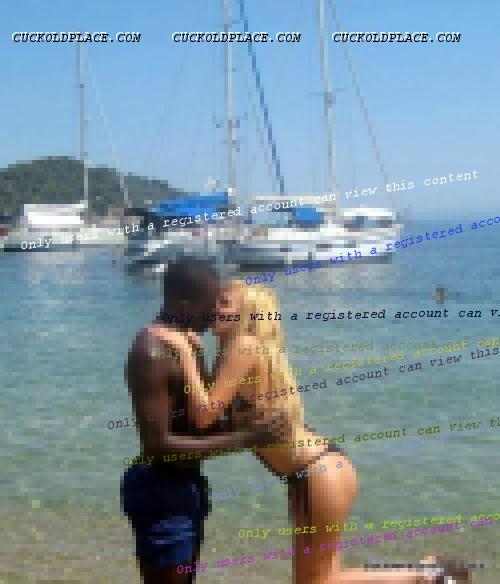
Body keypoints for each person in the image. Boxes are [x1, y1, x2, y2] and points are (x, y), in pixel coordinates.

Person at [151, 280, 472, 584]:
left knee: (317, 581)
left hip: (317, 472)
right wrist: (196, 355)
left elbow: (204, 415)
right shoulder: (240, 352)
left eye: (224, 303)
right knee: (322, 575)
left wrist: (183, 353)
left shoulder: (244, 346)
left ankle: (426, 575)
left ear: (247, 313)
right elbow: (211, 407)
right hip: (315, 471)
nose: (214, 308)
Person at [122, 259, 285, 584]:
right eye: (210, 306)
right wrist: (246, 439)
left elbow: (199, 423)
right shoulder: (151, 353)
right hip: (160, 490)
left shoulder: (187, 344)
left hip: (185, 486)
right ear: (185, 304)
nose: (214, 315)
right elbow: (157, 445)